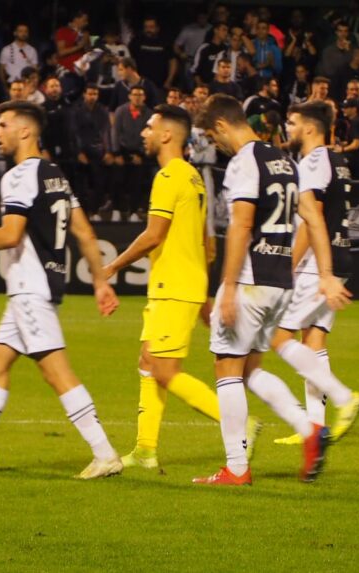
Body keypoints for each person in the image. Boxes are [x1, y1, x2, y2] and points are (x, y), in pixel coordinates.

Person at [0, 101, 123, 479]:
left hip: (30, 289)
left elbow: (10, 235)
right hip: (37, 288)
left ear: (24, 131)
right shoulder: (55, 174)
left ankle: (105, 453)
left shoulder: (19, 175)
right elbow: (85, 232)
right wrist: (100, 281)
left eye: (2, 125)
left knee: (56, 372)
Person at [191, 95, 351, 486]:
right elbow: (314, 219)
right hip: (281, 281)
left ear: (222, 125)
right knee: (251, 369)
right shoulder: (285, 162)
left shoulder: (244, 161)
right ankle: (310, 429)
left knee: (226, 368)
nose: (216, 144)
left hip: (250, 280)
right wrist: (326, 273)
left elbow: (242, 225)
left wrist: (228, 286)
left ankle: (237, 468)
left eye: (212, 136)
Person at [101, 105, 231, 469]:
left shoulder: (170, 176)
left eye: (149, 126)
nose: (143, 132)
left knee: (163, 370)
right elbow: (207, 244)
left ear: (167, 134)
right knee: (148, 362)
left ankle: (239, 426)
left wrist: (112, 266)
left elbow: (153, 235)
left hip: (173, 284)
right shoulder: (194, 177)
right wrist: (203, 294)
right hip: (181, 283)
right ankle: (145, 449)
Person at [268, 101, 359, 447]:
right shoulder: (337, 160)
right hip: (340, 258)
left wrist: (288, 265)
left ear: (309, 128)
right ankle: (314, 427)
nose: (288, 128)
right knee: (313, 341)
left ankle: (345, 398)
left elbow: (312, 220)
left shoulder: (312, 163)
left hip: (315, 265)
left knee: (278, 337)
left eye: (292, 122)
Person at [112, 85, 153, 222]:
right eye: (135, 94)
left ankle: (134, 211)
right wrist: (117, 153)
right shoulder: (121, 111)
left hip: (139, 152)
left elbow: (149, 135)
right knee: (117, 180)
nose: (137, 97)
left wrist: (141, 154)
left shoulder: (149, 114)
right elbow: (115, 132)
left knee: (137, 181)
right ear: (129, 96)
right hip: (121, 151)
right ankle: (116, 210)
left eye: (140, 95)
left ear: (144, 97)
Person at [71, 84, 112, 217]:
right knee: (81, 185)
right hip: (82, 151)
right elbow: (74, 133)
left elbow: (106, 132)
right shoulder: (77, 111)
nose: (92, 97)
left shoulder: (102, 111)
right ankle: (83, 213)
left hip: (98, 151)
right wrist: (78, 152)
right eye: (89, 94)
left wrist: (108, 151)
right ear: (84, 94)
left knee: (99, 183)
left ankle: (95, 211)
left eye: (95, 94)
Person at [130, 16, 177, 91]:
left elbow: (172, 62)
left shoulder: (165, 41)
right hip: (140, 83)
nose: (148, 30)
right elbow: (131, 61)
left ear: (157, 28)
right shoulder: (136, 41)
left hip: (161, 84)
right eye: (146, 27)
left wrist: (169, 80)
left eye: (151, 27)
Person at [335, 99, 359, 179]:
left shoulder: (356, 122)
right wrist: (341, 143)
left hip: (358, 162)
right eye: (343, 107)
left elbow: (355, 145)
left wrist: (342, 149)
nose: (343, 110)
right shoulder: (358, 121)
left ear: (354, 109)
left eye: (346, 108)